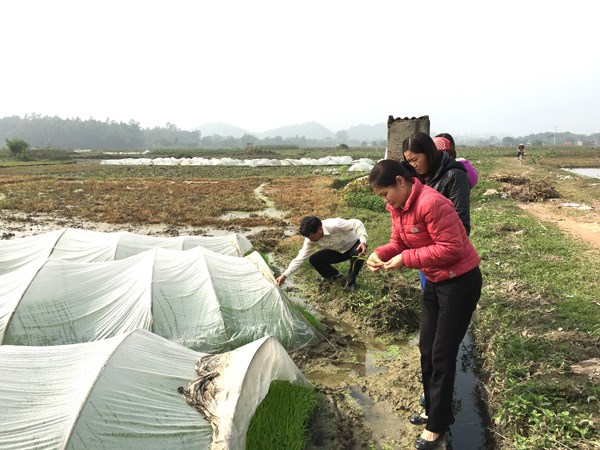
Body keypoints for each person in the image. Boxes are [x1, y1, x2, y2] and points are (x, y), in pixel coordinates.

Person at [365, 159, 482, 450]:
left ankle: (437, 425)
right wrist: (380, 253)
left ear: (400, 182)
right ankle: (433, 408)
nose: (385, 201)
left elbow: (452, 247)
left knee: (442, 354)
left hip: (460, 282)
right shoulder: (398, 208)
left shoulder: (432, 203)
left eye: (384, 194)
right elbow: (399, 243)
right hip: (435, 281)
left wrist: (406, 259)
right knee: (426, 348)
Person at [275, 216, 368, 291]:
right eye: (308, 237)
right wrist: (284, 275)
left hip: (353, 245)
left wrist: (363, 241)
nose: (310, 240)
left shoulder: (335, 225)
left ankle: (350, 283)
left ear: (320, 229)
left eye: (312, 236)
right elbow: (300, 258)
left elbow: (357, 223)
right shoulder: (310, 240)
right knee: (314, 259)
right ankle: (336, 277)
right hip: (338, 251)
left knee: (357, 252)